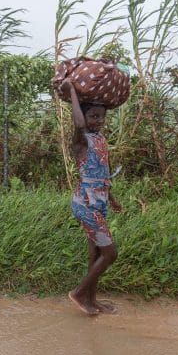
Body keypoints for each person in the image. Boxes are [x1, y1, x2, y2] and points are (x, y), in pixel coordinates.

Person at [61, 78, 123, 315]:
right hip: (85, 204)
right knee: (110, 253)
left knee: (96, 253)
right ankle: (78, 294)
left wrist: (112, 198)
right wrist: (72, 92)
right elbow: (77, 123)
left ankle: (92, 300)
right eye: (93, 117)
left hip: (98, 203)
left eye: (101, 117)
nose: (98, 121)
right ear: (84, 118)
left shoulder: (100, 140)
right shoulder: (81, 140)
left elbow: (102, 173)